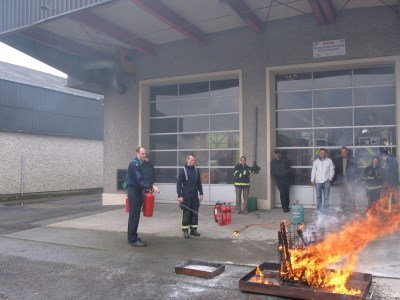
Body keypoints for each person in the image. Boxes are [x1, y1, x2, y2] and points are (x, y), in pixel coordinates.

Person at [125, 146, 154, 247]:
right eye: (142, 153)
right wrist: (150, 186)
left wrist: (148, 187)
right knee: (134, 215)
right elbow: (140, 179)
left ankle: (133, 236)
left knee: (135, 215)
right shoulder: (135, 164)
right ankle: (132, 240)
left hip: (137, 191)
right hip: (134, 192)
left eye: (145, 153)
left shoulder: (139, 164)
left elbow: (141, 180)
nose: (144, 155)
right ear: (137, 153)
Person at [177, 154, 203, 239]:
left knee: (194, 213)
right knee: (186, 213)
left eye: (194, 160)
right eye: (192, 160)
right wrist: (179, 195)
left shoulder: (196, 170)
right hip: (186, 195)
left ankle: (193, 230)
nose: (193, 162)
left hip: (194, 195)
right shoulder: (182, 170)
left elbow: (199, 183)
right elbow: (178, 184)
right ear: (187, 160)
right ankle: (185, 231)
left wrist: (201, 193)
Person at [333, 146, 358, 211]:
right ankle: (342, 207)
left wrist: (355, 178)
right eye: (342, 152)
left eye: (344, 151)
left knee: (350, 193)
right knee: (341, 194)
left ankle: (351, 207)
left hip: (349, 179)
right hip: (341, 179)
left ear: (347, 151)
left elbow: (355, 169)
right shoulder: (338, 160)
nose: (343, 153)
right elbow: (336, 171)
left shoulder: (352, 159)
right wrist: (335, 179)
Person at [311, 148, 335, 213]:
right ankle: (319, 212)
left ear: (325, 153)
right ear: (319, 153)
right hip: (318, 182)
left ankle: (326, 212)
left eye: (323, 153)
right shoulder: (316, 162)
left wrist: (330, 178)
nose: (322, 154)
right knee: (318, 198)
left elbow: (332, 170)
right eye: (321, 153)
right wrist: (312, 179)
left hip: (326, 182)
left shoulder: (329, 161)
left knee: (326, 198)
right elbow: (313, 171)